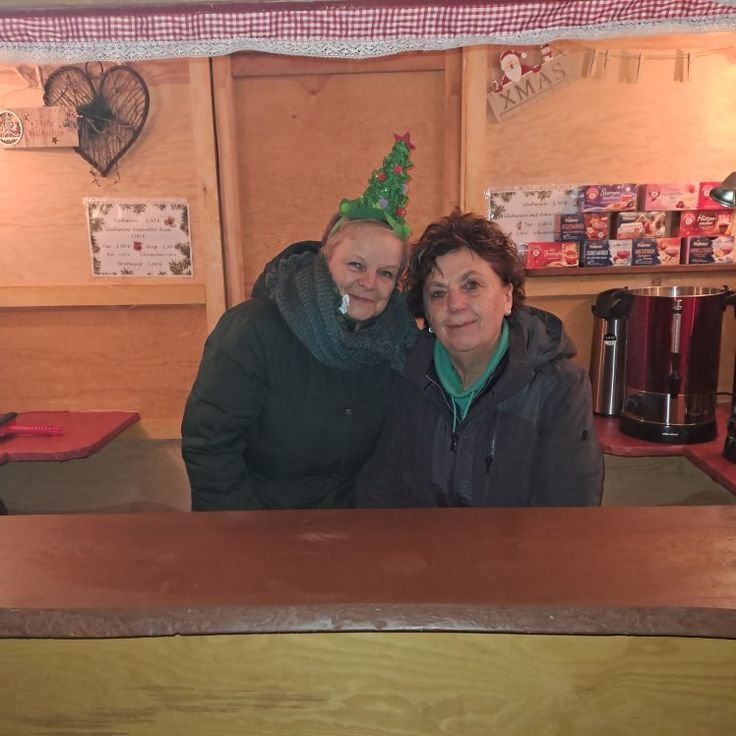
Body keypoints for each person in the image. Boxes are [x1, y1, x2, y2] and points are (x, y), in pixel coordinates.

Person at [182, 134, 418, 510]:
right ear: (326, 258)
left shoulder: (396, 344)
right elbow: (210, 444)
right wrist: (242, 531)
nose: (369, 282)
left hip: (353, 526)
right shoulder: (253, 330)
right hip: (260, 523)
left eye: (386, 273)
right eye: (356, 264)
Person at [356, 210, 603, 508]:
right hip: (420, 540)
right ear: (427, 313)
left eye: (471, 285)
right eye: (438, 293)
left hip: (519, 540)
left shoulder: (560, 386)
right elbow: (380, 493)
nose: (455, 304)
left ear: (507, 297)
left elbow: (568, 511)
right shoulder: (406, 376)